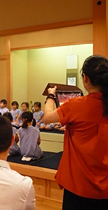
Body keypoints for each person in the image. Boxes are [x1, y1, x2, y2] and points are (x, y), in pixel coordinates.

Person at [43, 55, 108, 209]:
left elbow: (47, 118)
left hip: (79, 184)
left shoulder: (76, 105)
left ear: (85, 78)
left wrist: (51, 95)